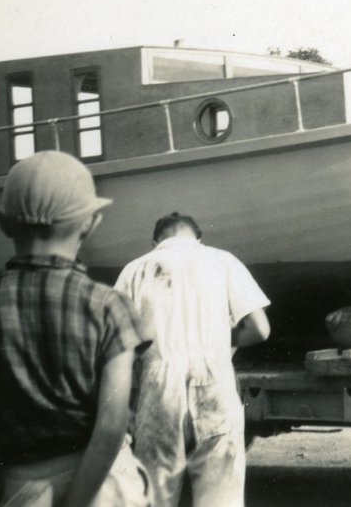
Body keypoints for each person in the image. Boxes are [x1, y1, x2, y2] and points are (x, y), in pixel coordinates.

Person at [0, 151, 151, 507]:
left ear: (3, 224)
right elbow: (110, 426)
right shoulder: (111, 306)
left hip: (22, 486)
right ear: (90, 224)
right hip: (106, 485)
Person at [115, 212, 271, 507]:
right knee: (221, 492)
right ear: (199, 238)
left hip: (158, 380)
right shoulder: (223, 261)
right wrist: (221, 340)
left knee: (157, 490)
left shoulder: (135, 270)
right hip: (215, 377)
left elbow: (120, 343)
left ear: (155, 241)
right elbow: (260, 330)